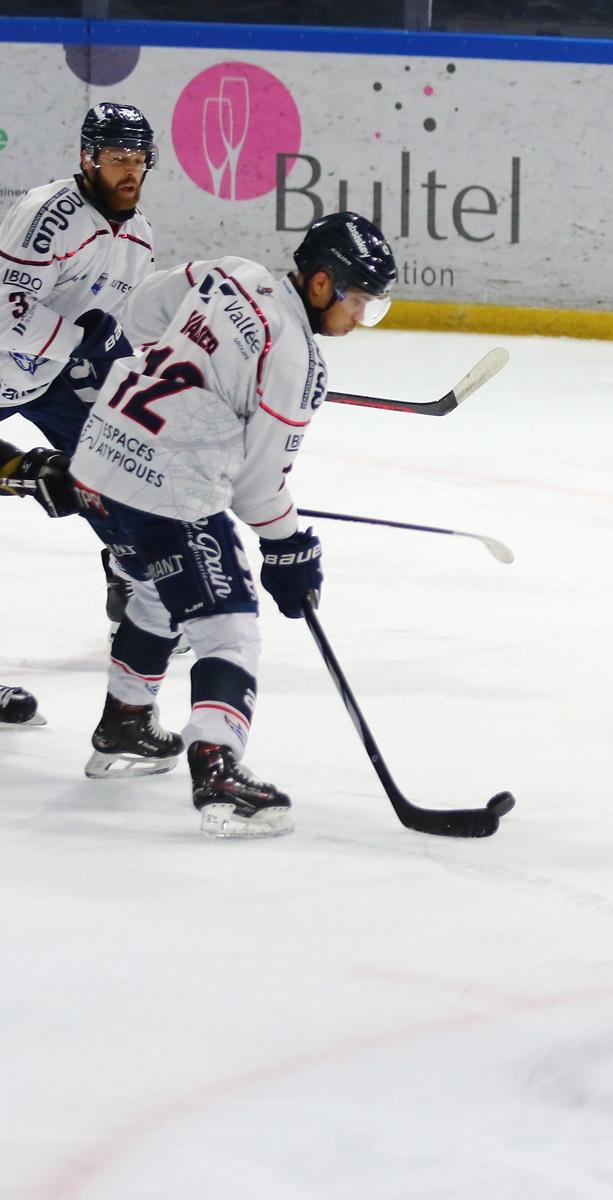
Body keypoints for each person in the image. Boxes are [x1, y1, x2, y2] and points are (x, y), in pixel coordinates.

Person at [66, 211, 398, 837]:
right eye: (359, 301)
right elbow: (257, 487)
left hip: (100, 457)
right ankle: (217, 770)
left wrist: (204, 367)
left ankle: (126, 725)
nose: (361, 316)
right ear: (321, 284)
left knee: (155, 592)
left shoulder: (231, 273)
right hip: (169, 485)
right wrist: (291, 548)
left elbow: (140, 313)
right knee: (229, 629)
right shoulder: (299, 361)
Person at [1, 102, 160, 727]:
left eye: (139, 159)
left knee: (116, 463)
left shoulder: (140, 237)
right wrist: (82, 339)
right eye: (118, 158)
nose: (130, 170)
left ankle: (131, 574)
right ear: (88, 158)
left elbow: (117, 329)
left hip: (49, 377)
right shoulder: (51, 213)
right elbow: (6, 311)